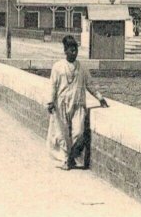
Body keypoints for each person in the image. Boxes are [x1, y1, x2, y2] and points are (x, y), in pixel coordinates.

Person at [46, 35, 109, 170]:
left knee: (78, 133)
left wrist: (100, 98)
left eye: (76, 50)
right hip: (61, 105)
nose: (74, 53)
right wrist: (50, 102)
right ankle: (64, 160)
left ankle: (73, 157)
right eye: (71, 50)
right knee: (61, 133)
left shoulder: (82, 68)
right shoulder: (58, 67)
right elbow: (52, 85)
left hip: (78, 105)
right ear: (65, 51)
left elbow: (90, 85)